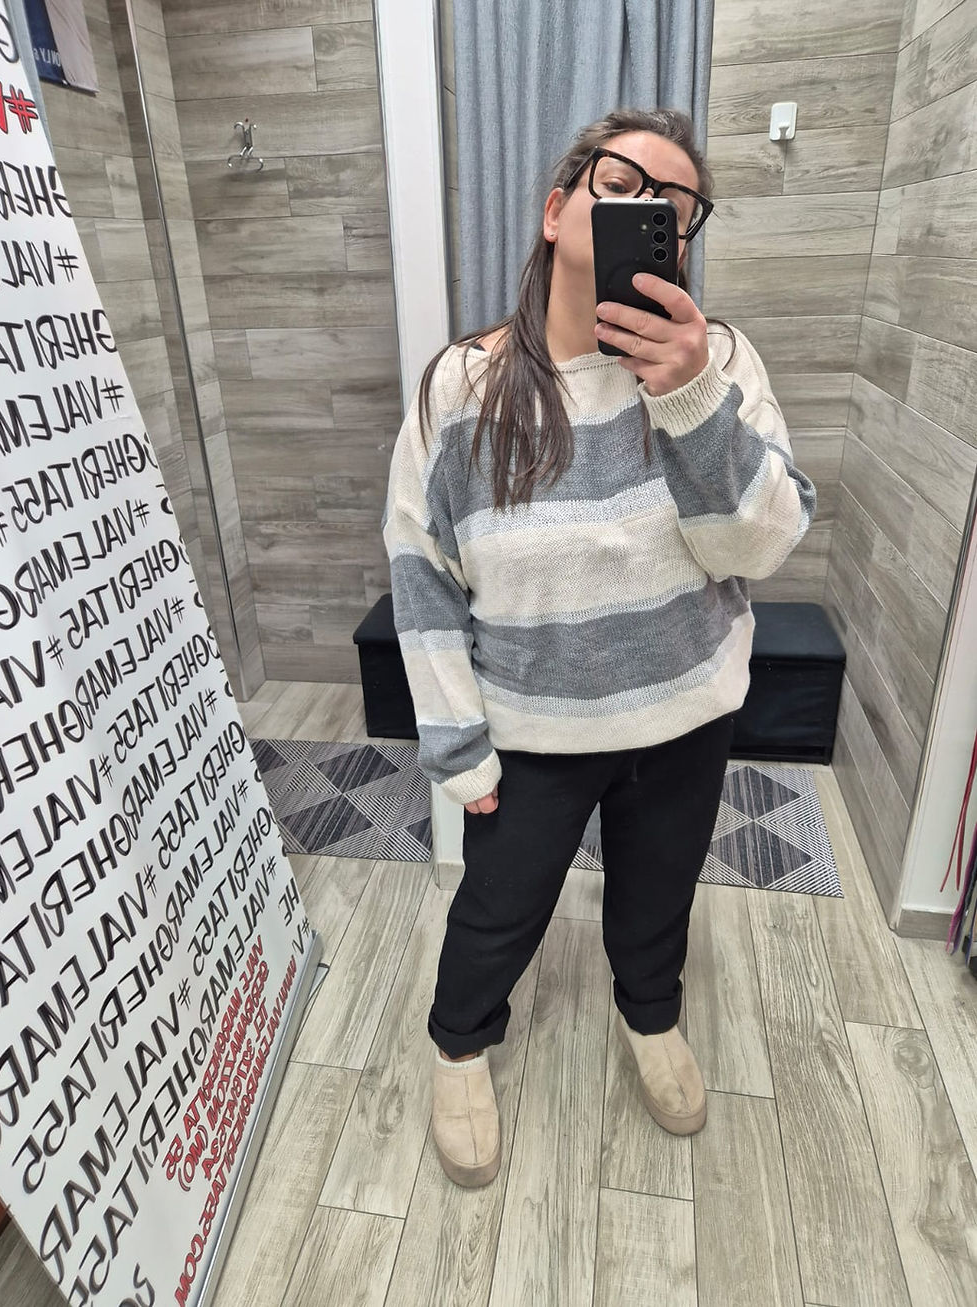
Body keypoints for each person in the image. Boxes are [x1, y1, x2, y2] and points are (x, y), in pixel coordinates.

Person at [381, 107, 816, 1189]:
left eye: (673, 206)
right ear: (555, 211)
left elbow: (759, 544)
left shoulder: (717, 362)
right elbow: (421, 567)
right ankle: (459, 1044)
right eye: (620, 185)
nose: (646, 209)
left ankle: (650, 1016)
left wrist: (688, 396)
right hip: (532, 726)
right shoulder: (462, 386)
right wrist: (455, 743)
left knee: (657, 893)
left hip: (684, 708)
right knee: (497, 906)